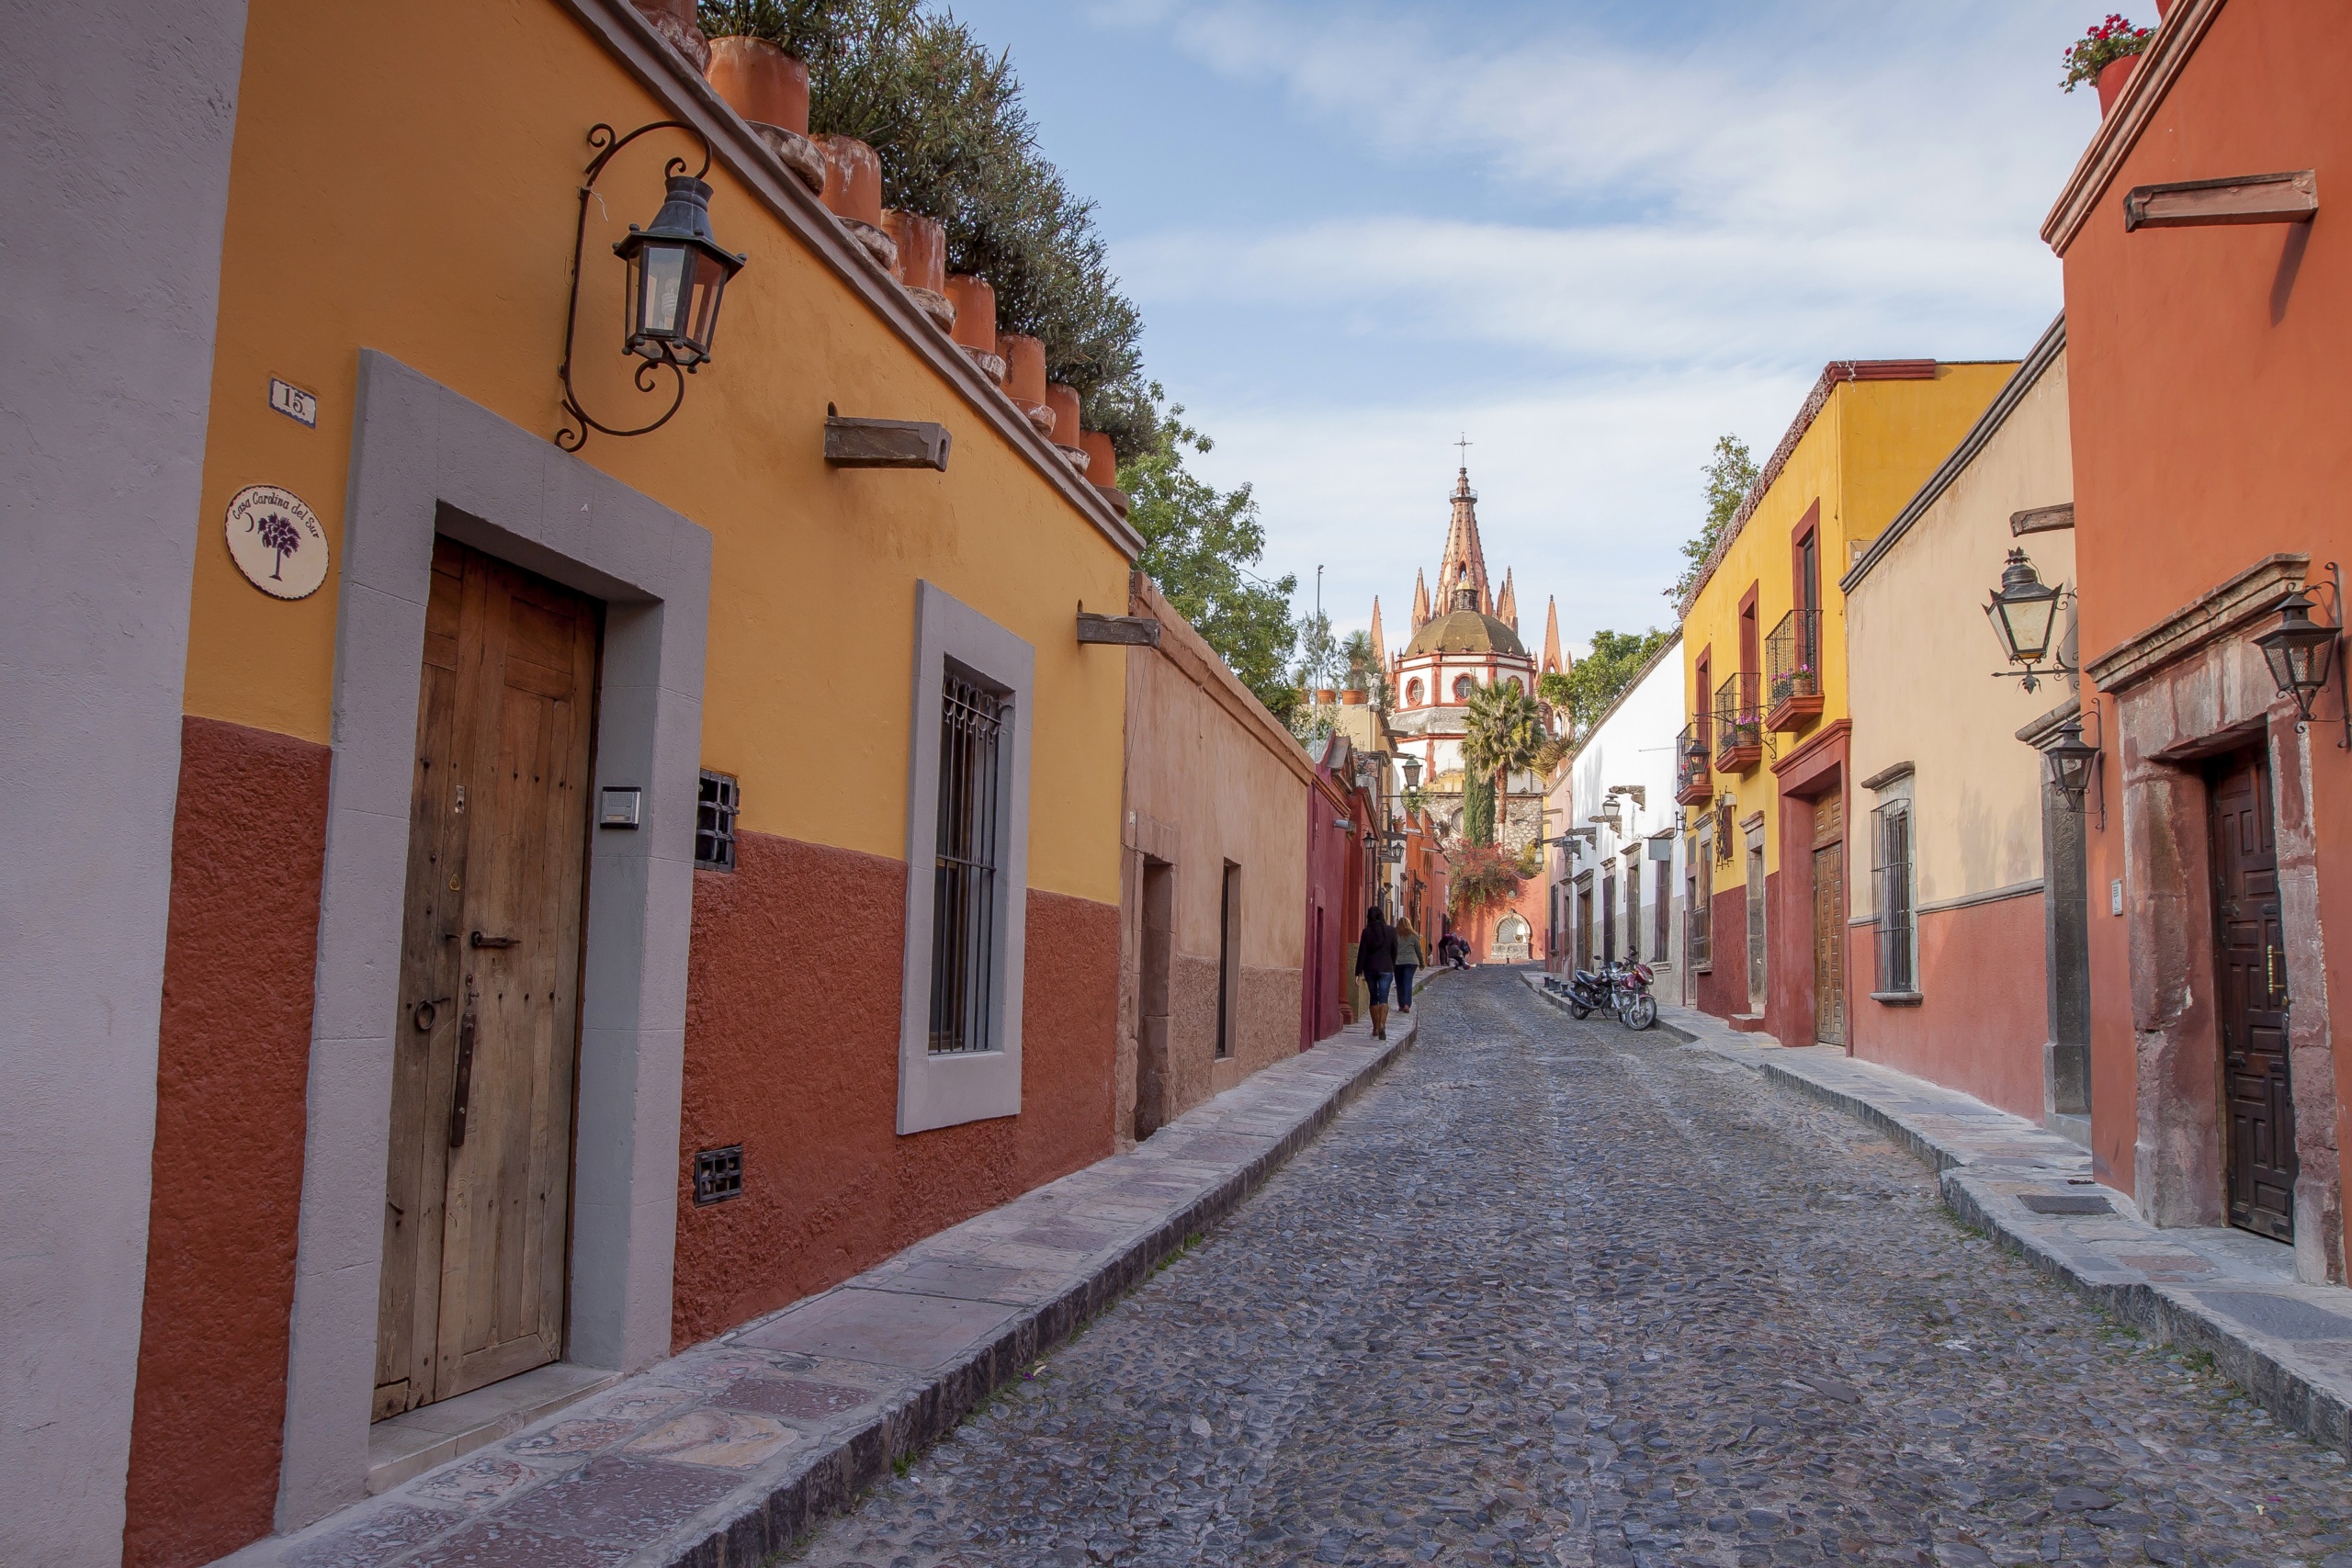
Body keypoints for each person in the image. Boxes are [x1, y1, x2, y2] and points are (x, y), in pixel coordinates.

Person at [1353, 905, 1397, 1040]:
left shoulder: (1367, 932)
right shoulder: (1391, 931)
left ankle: (1376, 1028)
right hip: (1386, 968)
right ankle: (1383, 1024)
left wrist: (1358, 972)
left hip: (1370, 968)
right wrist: (1392, 966)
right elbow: (1394, 950)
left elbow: (1362, 952)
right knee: (1384, 997)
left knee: (1374, 997)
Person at [1393, 918, 1423, 1013]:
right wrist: (1422, 963)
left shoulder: (1395, 935)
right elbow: (1419, 951)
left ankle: (1401, 1005)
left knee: (1399, 984)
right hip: (1411, 962)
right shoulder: (1414, 935)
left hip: (1398, 962)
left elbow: (1392, 949)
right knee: (1408, 982)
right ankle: (1407, 1004)